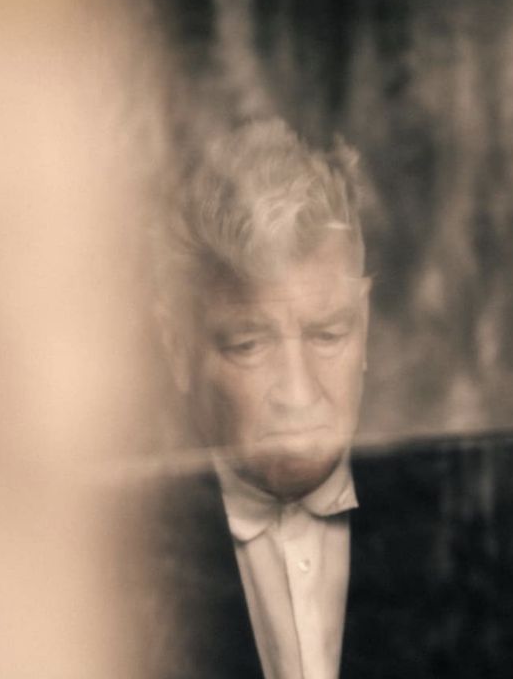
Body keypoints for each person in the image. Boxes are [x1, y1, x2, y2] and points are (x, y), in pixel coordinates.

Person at [144, 118, 391, 679]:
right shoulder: (112, 563)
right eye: (249, 345)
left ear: (365, 322)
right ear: (177, 346)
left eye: (328, 335)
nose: (298, 395)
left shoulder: (471, 525)